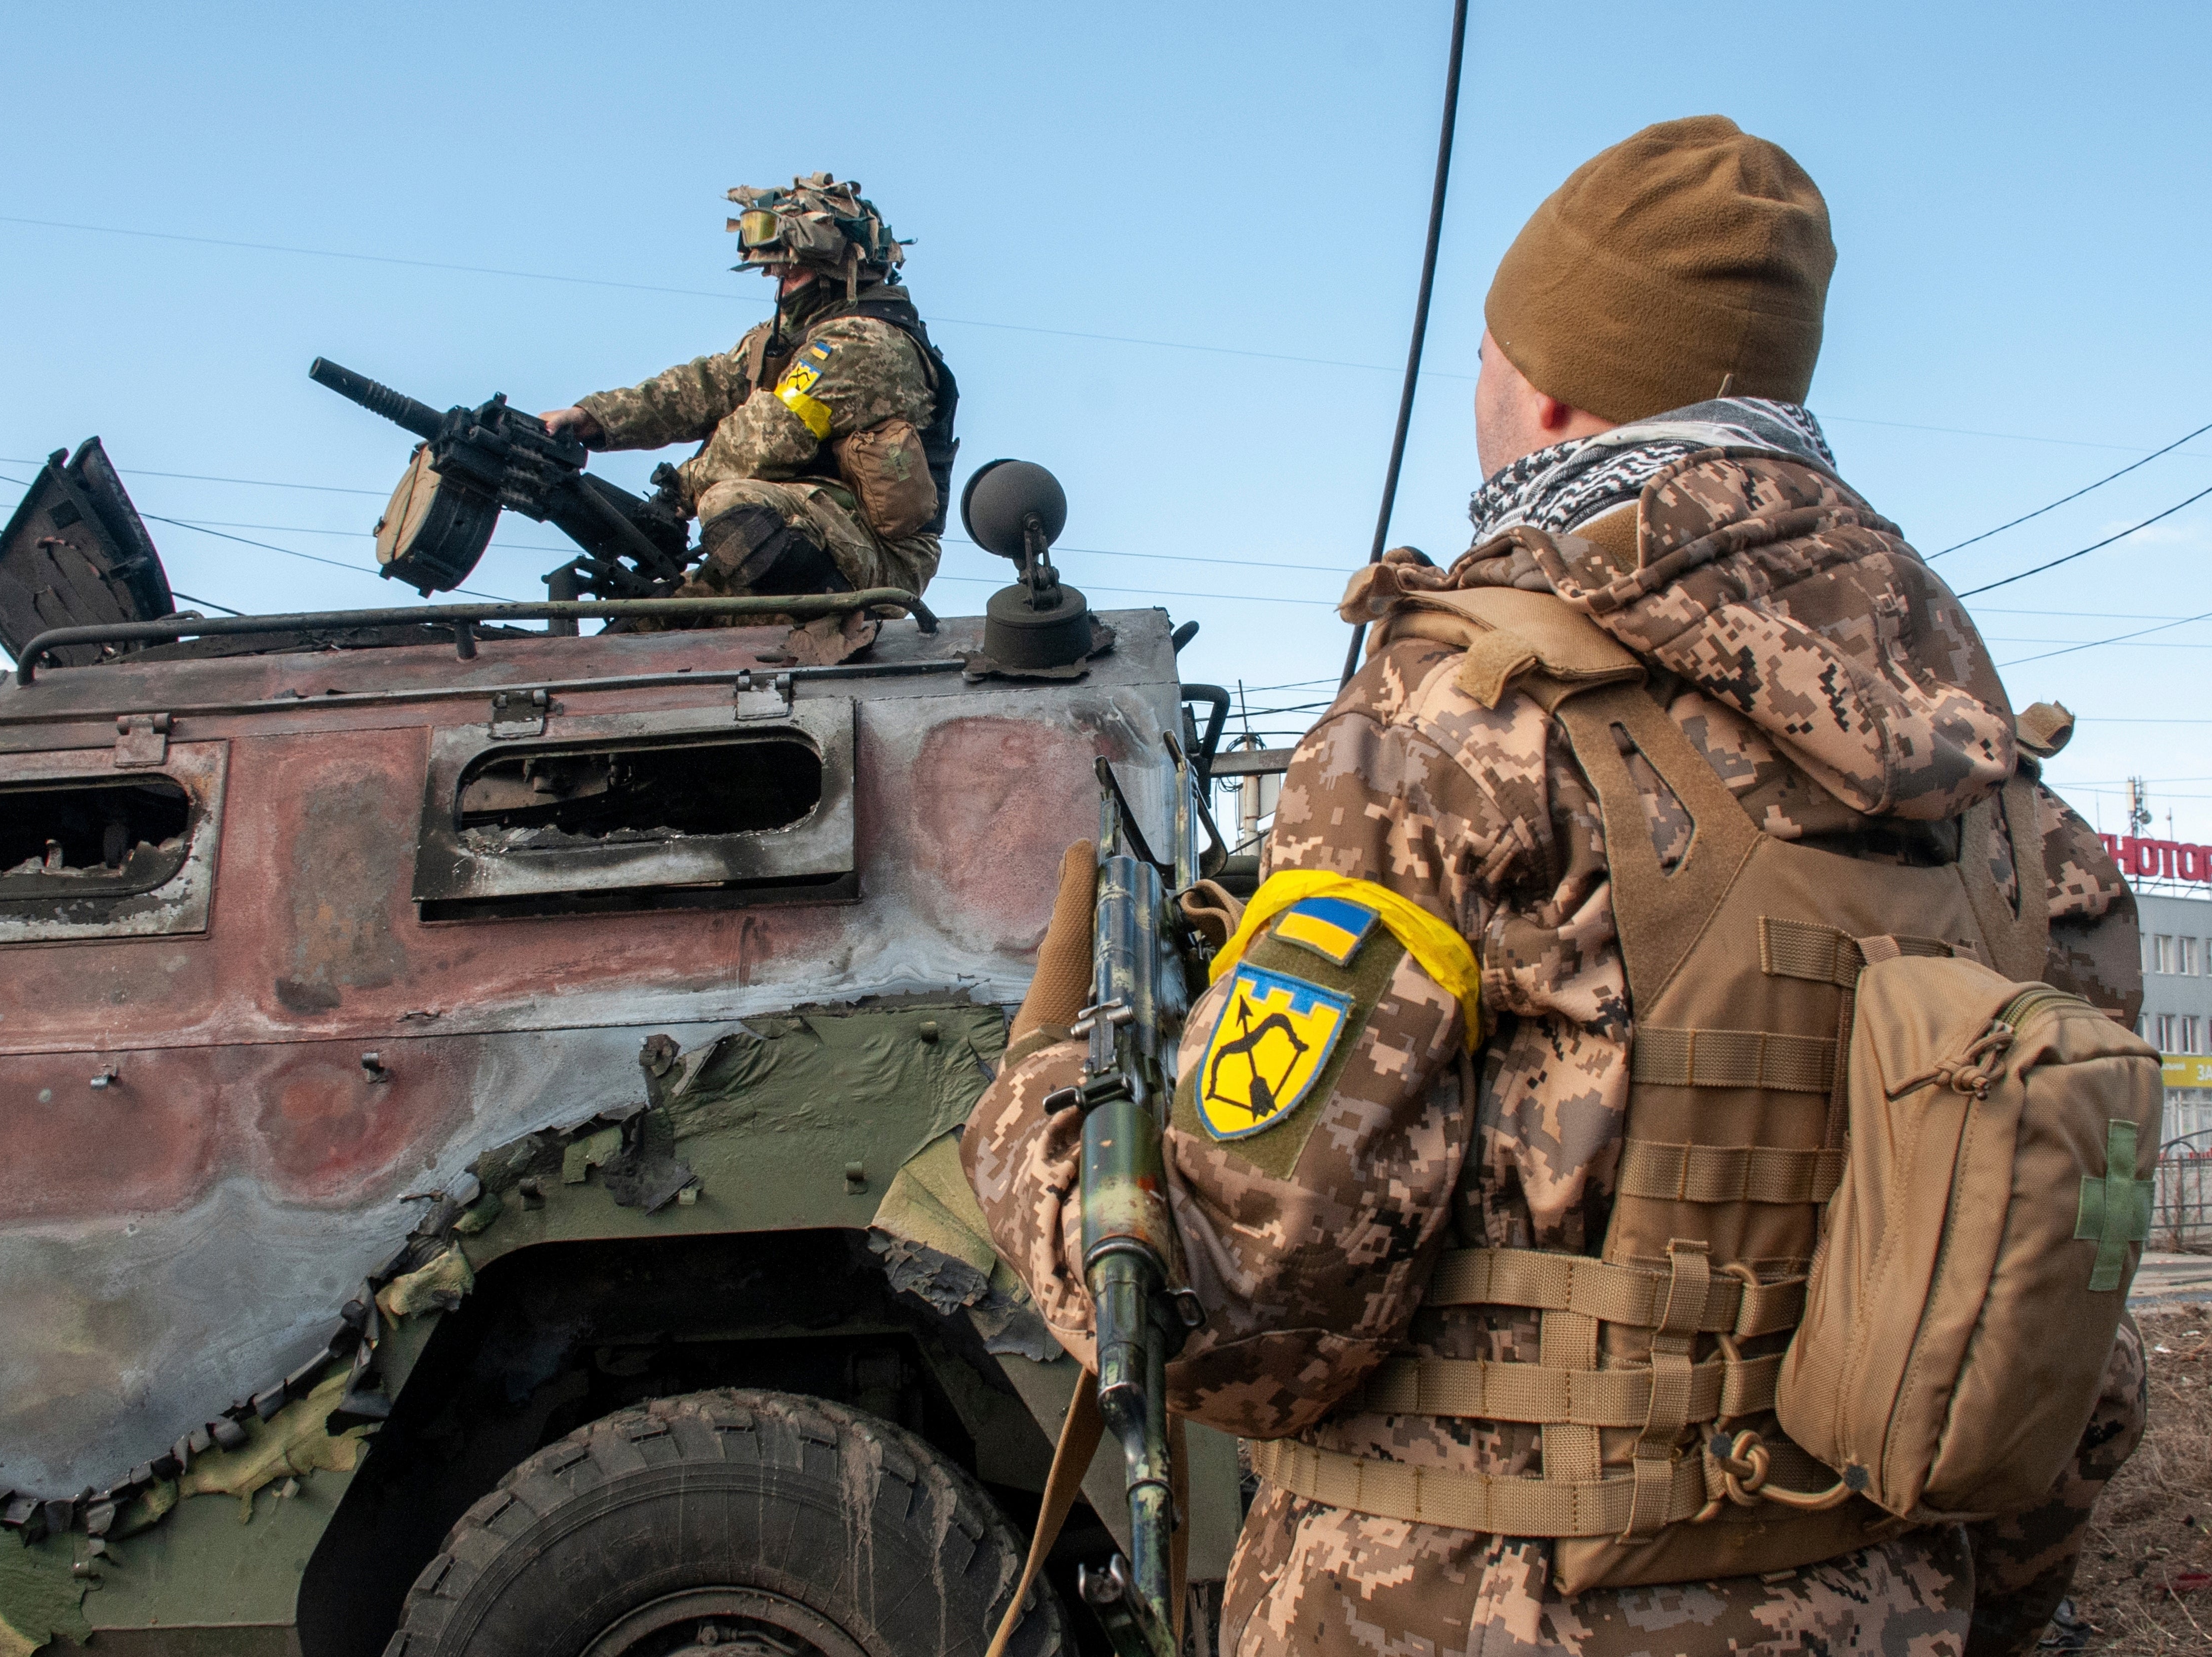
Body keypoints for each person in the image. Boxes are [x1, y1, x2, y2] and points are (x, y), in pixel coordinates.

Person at [965, 116, 2145, 1655]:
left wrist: (1032, 1110)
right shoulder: (2005, 802)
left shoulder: (1448, 723)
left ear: (1548, 390)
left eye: (1480, 355)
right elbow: (2060, 1358)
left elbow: (1235, 1312)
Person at [538, 173, 955, 658]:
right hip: (805, 524)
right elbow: (700, 387)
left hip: (876, 560)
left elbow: (770, 433)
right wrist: (593, 417)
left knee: (725, 502)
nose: (776, 282)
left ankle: (839, 619)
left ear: (832, 264)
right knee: (649, 629)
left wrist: (678, 495)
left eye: (790, 270)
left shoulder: (865, 345)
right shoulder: (788, 337)